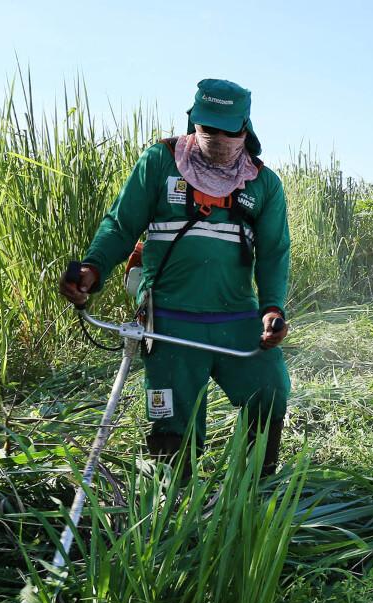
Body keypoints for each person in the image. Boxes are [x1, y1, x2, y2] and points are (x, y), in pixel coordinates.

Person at [59, 79, 291, 478]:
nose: (216, 138)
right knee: (174, 419)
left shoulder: (263, 184)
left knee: (269, 390)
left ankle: (254, 487)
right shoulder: (160, 162)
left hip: (234, 318)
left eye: (227, 130)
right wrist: (92, 269)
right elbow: (121, 225)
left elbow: (273, 254)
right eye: (208, 128)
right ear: (192, 122)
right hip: (169, 319)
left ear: (245, 129)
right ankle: (173, 500)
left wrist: (272, 309)